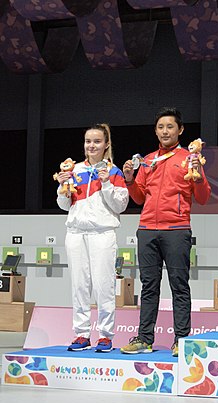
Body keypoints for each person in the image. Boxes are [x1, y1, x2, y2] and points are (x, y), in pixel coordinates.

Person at [120, 107, 211, 357]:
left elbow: (203, 198)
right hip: (147, 229)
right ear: (155, 131)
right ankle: (144, 339)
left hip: (177, 229)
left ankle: (181, 339)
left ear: (180, 130)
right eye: (160, 127)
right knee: (149, 286)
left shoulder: (189, 159)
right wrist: (129, 179)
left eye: (170, 126)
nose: (165, 131)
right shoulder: (148, 160)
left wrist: (199, 174)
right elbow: (138, 198)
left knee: (179, 286)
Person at [56, 123, 129, 352]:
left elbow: (121, 205)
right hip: (76, 233)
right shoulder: (74, 170)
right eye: (88, 141)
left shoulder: (114, 171)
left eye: (97, 141)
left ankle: (106, 336)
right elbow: (65, 205)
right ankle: (81, 334)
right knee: (79, 286)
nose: (91, 145)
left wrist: (106, 181)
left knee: (103, 286)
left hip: (102, 233)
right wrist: (62, 188)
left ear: (106, 144)